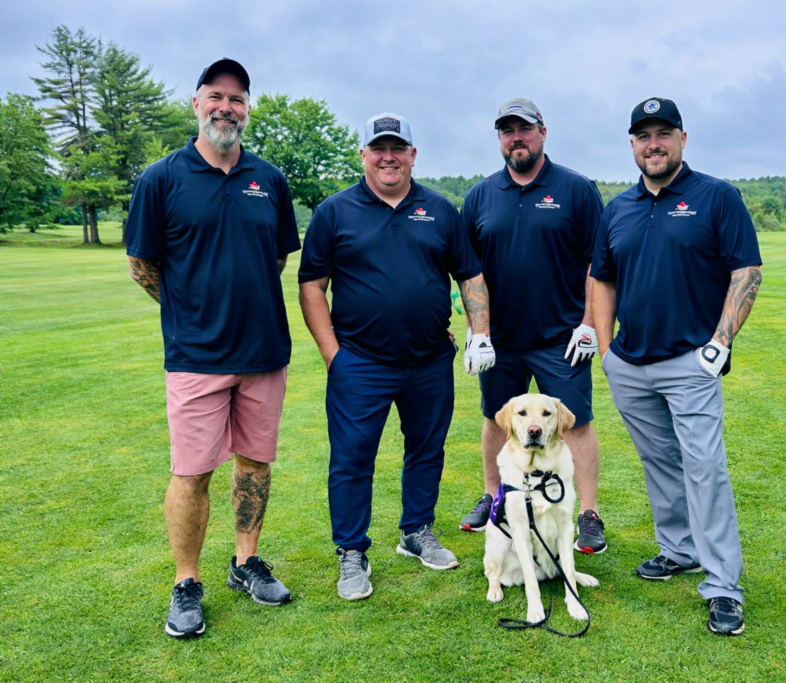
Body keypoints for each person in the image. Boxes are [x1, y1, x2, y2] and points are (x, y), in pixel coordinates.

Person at [125, 58, 299, 639]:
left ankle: (245, 562)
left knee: (255, 463)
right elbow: (142, 266)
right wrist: (188, 312)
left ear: (247, 109)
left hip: (263, 353)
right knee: (192, 472)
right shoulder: (162, 177)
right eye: (216, 96)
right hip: (196, 358)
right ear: (196, 104)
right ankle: (186, 582)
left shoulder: (269, 179)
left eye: (238, 98)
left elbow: (275, 257)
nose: (227, 106)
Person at [298, 112, 494, 601]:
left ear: (412, 154)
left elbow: (469, 275)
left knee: (427, 449)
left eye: (398, 148)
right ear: (363, 154)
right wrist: (332, 355)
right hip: (359, 362)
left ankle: (416, 530)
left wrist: (480, 333)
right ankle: (351, 552)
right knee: (351, 458)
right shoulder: (335, 211)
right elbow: (311, 286)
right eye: (379, 148)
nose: (389, 157)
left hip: (428, 360)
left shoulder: (439, 210)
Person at [590, 97, 762, 636]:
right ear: (633, 145)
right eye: (643, 136)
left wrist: (721, 340)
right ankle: (679, 550)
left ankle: (722, 586)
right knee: (659, 462)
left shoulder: (716, 197)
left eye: (663, 133)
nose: (653, 144)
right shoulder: (617, 208)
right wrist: (604, 347)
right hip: (631, 362)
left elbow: (746, 271)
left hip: (691, 361)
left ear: (682, 139)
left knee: (704, 468)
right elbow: (602, 277)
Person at [458, 98, 608, 554]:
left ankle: (588, 513)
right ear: (499, 138)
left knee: (575, 422)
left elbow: (597, 264)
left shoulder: (576, 189)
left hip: (562, 337)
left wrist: (589, 324)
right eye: (506, 131)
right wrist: (476, 331)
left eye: (523, 128)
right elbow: (468, 271)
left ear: (542, 131)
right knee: (496, 420)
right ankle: (493, 496)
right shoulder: (481, 196)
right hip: (500, 339)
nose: (515, 138)